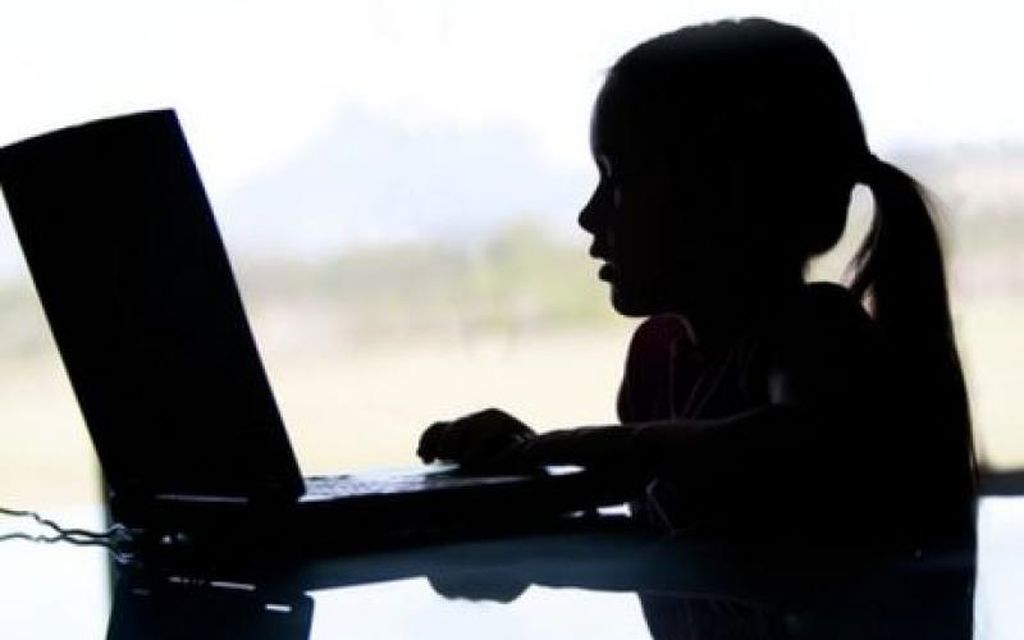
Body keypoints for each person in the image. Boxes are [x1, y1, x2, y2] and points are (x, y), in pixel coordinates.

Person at [417, 18, 977, 545]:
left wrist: (560, 450)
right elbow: (663, 523)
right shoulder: (654, 358)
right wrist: (528, 464)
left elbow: (800, 443)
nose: (589, 216)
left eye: (618, 178)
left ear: (731, 194)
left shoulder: (815, 332)